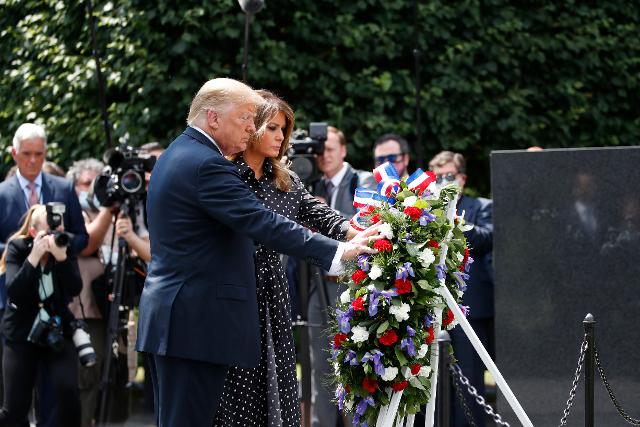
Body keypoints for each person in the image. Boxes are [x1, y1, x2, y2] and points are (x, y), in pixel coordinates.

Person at [135, 78, 377, 427]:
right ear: (214, 118)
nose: (252, 127)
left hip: (184, 321)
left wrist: (347, 232)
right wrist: (339, 253)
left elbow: (300, 213)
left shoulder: (180, 154)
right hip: (196, 324)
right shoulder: (208, 164)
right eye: (246, 118)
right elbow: (263, 222)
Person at [213, 91, 367, 426]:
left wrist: (364, 233)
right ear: (251, 128)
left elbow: (324, 217)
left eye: (284, 129)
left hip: (273, 291)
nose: (281, 136)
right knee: (237, 388)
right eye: (272, 127)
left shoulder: (284, 178)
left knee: (278, 381)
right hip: (232, 290)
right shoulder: (223, 175)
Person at [0, 123, 88, 424]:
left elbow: (82, 236)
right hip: (18, 305)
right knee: (16, 399)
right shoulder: (2, 193)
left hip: (56, 308)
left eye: (40, 154)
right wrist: (26, 247)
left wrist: (60, 246)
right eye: (27, 154)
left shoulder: (63, 187)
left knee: (61, 394)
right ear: (14, 154)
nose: (34, 160)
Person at [308, 126, 377, 427]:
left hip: (354, 290)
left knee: (355, 368)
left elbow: (369, 226)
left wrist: (327, 214)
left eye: (331, 148)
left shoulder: (362, 181)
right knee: (319, 370)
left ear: (344, 150)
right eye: (320, 150)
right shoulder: (309, 185)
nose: (325, 155)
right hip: (318, 288)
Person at [0, 204, 82, 426]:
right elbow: (14, 293)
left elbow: (75, 289)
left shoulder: (66, 245)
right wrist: (34, 257)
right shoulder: (18, 247)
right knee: (15, 407)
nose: (56, 232)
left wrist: (62, 258)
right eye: (50, 229)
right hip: (21, 332)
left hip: (55, 329)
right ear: (34, 232)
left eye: (59, 226)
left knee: (67, 390)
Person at [428, 151, 494, 427]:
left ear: (462, 179)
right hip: (435, 309)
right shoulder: (424, 210)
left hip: (470, 311)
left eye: (448, 177)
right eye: (438, 177)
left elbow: (485, 238)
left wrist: (451, 215)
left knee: (469, 381)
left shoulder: (482, 206)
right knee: (434, 382)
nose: (443, 182)